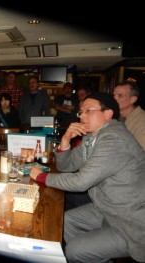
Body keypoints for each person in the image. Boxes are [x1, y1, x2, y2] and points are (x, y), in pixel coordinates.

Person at [30, 92, 145, 262]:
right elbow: (66, 166)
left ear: (108, 114)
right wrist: (66, 139)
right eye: (80, 112)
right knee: (64, 222)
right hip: (105, 207)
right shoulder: (92, 137)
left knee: (73, 251)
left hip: (129, 220)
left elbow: (81, 182)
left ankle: (85, 254)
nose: (81, 115)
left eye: (88, 110)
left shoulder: (113, 139)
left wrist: (43, 177)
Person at [113, 80, 145, 150]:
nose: (114, 99)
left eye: (120, 95)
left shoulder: (142, 120)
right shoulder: (114, 117)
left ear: (133, 99)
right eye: (113, 95)